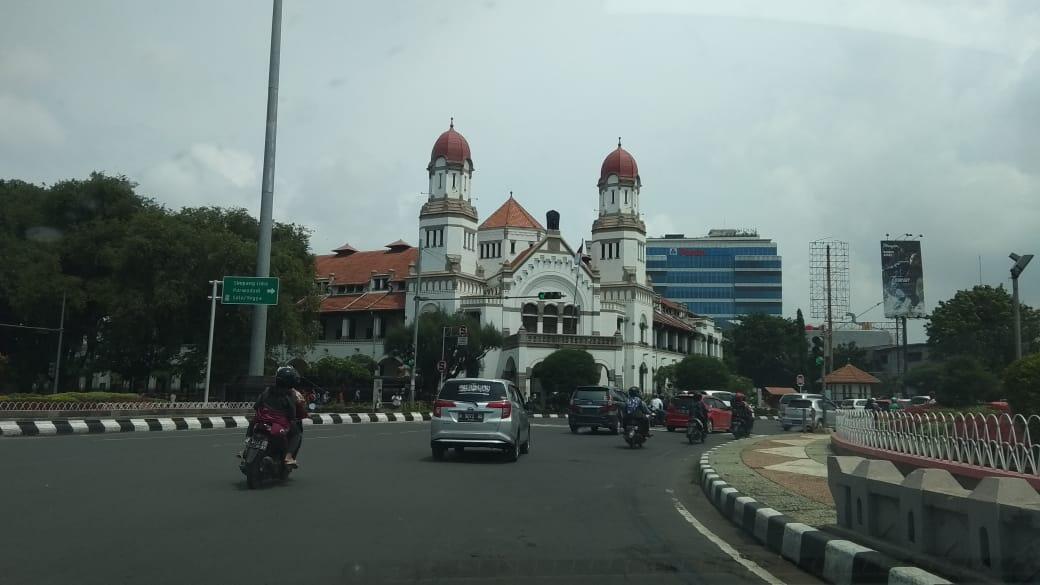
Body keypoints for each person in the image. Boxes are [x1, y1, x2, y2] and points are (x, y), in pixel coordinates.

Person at [248, 366, 304, 467]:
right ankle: (288, 457)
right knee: (297, 434)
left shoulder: (267, 390)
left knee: (253, 421)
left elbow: (256, 405)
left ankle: (245, 448)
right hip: (279, 423)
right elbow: (292, 414)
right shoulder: (289, 394)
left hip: (261, 420)